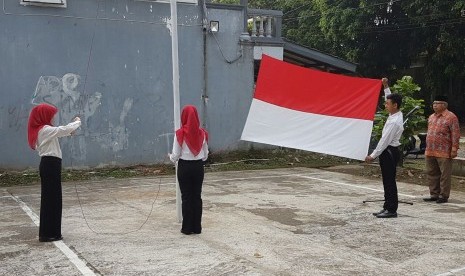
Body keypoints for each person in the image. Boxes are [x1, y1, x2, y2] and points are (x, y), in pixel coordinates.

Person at [27, 103, 81, 242]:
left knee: (51, 200)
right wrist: (77, 122)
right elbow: (62, 129)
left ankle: (49, 232)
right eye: (50, 115)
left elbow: (61, 132)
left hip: (50, 165)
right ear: (43, 116)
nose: (52, 118)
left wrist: (69, 131)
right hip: (50, 165)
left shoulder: (43, 130)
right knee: (52, 201)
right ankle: (49, 234)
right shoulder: (44, 129)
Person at [365, 78, 404, 218]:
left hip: (389, 152)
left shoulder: (395, 122)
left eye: (388, 103)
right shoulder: (395, 114)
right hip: (388, 151)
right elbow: (390, 98)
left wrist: (373, 155)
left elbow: (384, 141)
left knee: (389, 181)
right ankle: (387, 206)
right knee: (386, 180)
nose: (385, 105)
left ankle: (391, 209)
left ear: (395, 105)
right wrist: (386, 87)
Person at [169, 105, 209, 235]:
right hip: (198, 167)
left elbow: (175, 156)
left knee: (186, 197)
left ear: (184, 116)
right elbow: (205, 155)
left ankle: (187, 228)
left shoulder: (179, 134)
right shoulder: (202, 133)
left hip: (184, 167)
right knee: (197, 196)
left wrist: (170, 156)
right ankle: (197, 227)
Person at [423, 95, 460, 203]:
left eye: (437, 103)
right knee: (432, 173)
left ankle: (443, 196)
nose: (434, 105)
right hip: (430, 150)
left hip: (444, 151)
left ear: (444, 105)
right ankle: (434, 194)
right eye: (434, 103)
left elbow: (456, 133)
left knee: (444, 174)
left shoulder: (451, 117)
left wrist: (454, 148)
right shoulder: (431, 117)